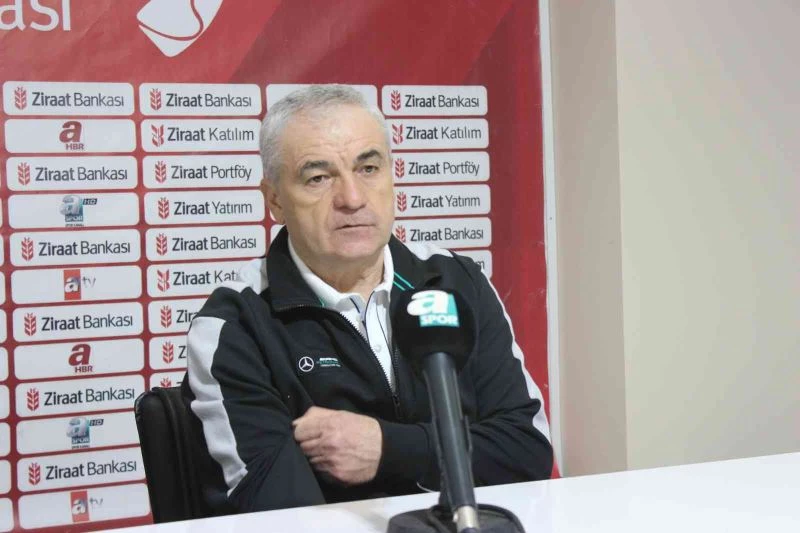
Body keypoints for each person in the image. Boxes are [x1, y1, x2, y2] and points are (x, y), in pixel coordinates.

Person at [182, 84, 553, 513]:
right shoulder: (235, 325)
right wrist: (445, 449)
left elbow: (526, 451)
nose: (352, 199)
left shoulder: (455, 282)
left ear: (392, 176)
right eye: (318, 178)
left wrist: (386, 448)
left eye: (369, 168)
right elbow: (278, 507)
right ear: (275, 201)